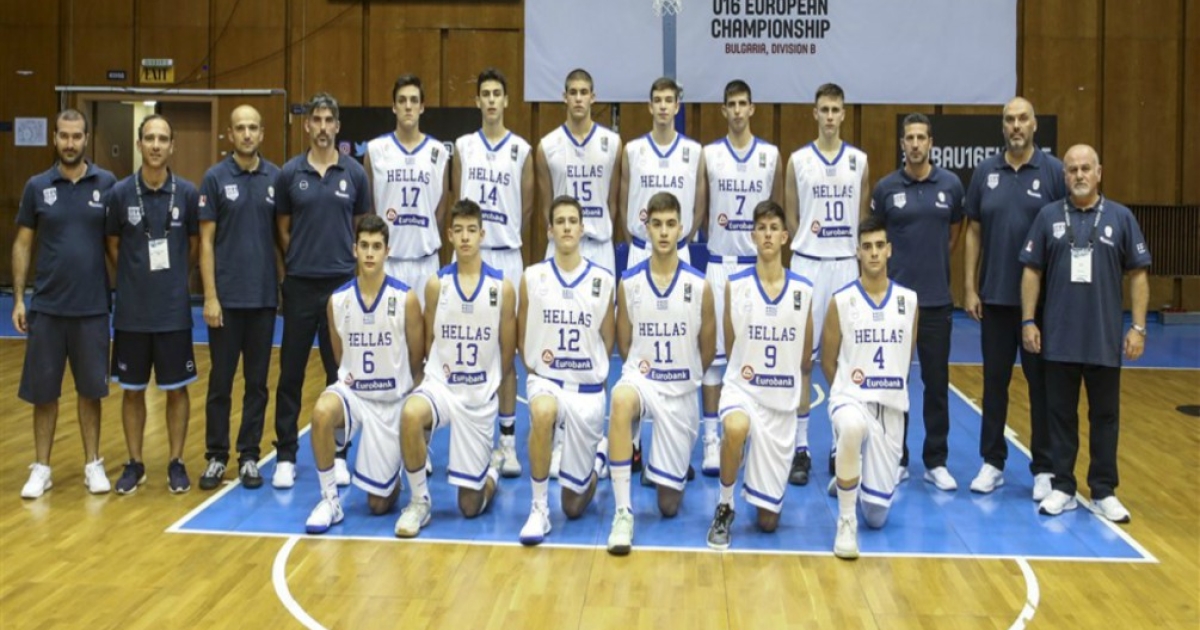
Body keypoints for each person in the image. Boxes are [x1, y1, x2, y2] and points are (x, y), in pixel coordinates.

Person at [1019, 145, 1150, 523]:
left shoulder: (1121, 217)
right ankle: (1063, 486)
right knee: (1060, 416)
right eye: (1072, 169)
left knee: (1105, 417)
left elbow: (1138, 273)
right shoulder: (1048, 216)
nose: (1079, 175)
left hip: (1103, 341)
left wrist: (1138, 327)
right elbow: (1031, 271)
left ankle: (1104, 490)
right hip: (1059, 340)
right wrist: (1028, 321)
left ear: (1099, 173)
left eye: (1085, 168)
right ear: (1064, 176)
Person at [394, 199, 517, 538]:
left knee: (470, 506)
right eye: (459, 230)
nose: (465, 237)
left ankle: (492, 470)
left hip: (477, 398)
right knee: (411, 414)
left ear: (482, 234)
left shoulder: (502, 288)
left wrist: (488, 386)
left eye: (471, 230)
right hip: (442, 386)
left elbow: (508, 352)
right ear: (449, 235)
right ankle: (419, 502)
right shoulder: (436, 285)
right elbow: (430, 341)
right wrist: (437, 377)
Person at [963, 97, 1066, 498]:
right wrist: (969, 287)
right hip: (995, 299)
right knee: (994, 384)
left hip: (1040, 306)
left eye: (1023, 118)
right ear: (1003, 126)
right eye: (1009, 119)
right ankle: (992, 462)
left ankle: (1044, 468)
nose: (1016, 125)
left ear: (1034, 124)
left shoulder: (1053, 171)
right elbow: (973, 230)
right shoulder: (985, 171)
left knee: (1041, 386)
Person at [606, 192, 716, 556]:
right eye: (657, 224)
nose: (664, 232)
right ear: (647, 228)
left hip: (680, 394)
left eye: (670, 224)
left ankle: (661, 463)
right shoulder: (630, 282)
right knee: (621, 399)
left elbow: (706, 349)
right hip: (642, 380)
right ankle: (623, 513)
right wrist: (643, 372)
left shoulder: (700, 286)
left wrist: (683, 376)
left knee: (668, 505)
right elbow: (624, 344)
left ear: (681, 229)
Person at [13, 109, 116, 498]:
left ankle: (93, 464)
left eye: (76, 136)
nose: (70, 143)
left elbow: (115, 246)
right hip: (48, 309)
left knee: (91, 391)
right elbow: (23, 244)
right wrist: (19, 299)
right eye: (64, 136)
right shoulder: (37, 186)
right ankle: (41, 468)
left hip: (92, 308)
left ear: (86, 138)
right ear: (54, 139)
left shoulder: (107, 184)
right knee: (44, 393)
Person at [274, 93, 371, 490]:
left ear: (338, 126)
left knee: (340, 374)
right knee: (290, 373)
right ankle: (285, 456)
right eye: (317, 120)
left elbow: (361, 226)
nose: (323, 127)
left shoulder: (355, 173)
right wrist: (299, 259)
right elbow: (282, 228)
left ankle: (340, 454)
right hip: (299, 285)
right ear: (307, 125)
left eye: (330, 120)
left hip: (341, 288)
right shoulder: (289, 173)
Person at [304, 215, 425, 534]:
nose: (370, 253)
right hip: (354, 395)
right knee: (321, 412)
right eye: (364, 246)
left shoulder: (406, 299)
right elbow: (340, 357)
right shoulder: (337, 300)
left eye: (376, 246)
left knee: (378, 506)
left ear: (387, 251)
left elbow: (417, 361)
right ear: (354, 249)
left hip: (391, 403)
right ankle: (330, 500)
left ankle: (394, 470)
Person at [705, 200, 813, 550]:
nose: (767, 234)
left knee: (768, 524)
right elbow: (732, 346)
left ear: (785, 237)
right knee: (736, 427)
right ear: (752, 236)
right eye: (761, 228)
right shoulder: (735, 286)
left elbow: (805, 359)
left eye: (774, 228)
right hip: (743, 391)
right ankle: (725, 505)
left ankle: (756, 467)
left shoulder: (803, 290)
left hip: (779, 405)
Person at [105, 114, 200, 495]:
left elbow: (193, 246)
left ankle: (176, 462)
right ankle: (135, 463)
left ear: (172, 146)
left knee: (177, 390)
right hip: (132, 313)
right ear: (139, 144)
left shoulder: (188, 193)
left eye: (163, 139)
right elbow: (113, 245)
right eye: (149, 138)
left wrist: (173, 278)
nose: (156, 145)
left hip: (173, 312)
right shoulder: (119, 193)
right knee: (132, 390)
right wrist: (135, 278)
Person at [869, 113, 965, 491]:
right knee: (895, 383)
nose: (915, 144)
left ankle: (935, 461)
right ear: (902, 144)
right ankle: (896, 457)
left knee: (936, 384)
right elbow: (876, 238)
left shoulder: (951, 185)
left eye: (921, 137)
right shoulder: (886, 188)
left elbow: (954, 234)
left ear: (930, 143)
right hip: (896, 305)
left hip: (937, 301)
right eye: (909, 138)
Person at [517, 195, 616, 545]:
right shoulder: (533, 276)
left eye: (573, 221)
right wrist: (540, 370)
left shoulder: (603, 280)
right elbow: (523, 334)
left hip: (586, 393)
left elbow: (607, 341)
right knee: (542, 412)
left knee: (573, 506)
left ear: (582, 228)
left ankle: (597, 458)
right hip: (548, 382)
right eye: (560, 221)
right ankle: (539, 509)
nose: (567, 227)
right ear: (550, 230)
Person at [785, 82, 870, 486]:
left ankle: (840, 445)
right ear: (815, 113)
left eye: (836, 109)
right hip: (808, 263)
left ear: (844, 113)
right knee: (802, 360)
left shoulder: (859, 161)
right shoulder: (798, 160)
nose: (831, 116)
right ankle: (800, 447)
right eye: (825, 109)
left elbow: (863, 214)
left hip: (845, 265)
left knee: (844, 361)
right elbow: (791, 217)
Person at [453, 67, 534, 480]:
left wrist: (506, 237)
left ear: (506, 100)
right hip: (472, 258)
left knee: (507, 353)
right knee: (471, 350)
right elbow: (456, 199)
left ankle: (507, 442)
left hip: (507, 257)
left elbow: (528, 207)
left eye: (496, 93)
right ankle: (474, 437)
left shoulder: (521, 149)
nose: (490, 100)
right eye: (484, 93)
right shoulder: (463, 146)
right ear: (477, 101)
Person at [823, 215, 918, 560]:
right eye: (867, 247)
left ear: (889, 250)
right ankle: (846, 521)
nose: (874, 253)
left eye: (879, 246)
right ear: (858, 253)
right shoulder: (841, 300)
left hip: (890, 410)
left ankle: (850, 472)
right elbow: (828, 361)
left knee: (876, 517)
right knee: (851, 427)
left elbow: (906, 358)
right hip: (851, 399)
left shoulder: (909, 301)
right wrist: (847, 392)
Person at [700, 79, 782, 477]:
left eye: (742, 103)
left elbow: (776, 212)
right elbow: (701, 209)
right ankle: (711, 439)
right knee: (714, 358)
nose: (736, 110)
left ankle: (755, 433)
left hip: (755, 266)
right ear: (724, 110)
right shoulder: (710, 154)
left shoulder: (770, 155)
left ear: (752, 108)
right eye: (730, 104)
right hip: (719, 262)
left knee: (753, 355)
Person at [197, 105, 280, 490]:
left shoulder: (276, 178)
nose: (247, 134)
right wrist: (210, 297)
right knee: (221, 382)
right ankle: (216, 456)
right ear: (230, 134)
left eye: (253, 127)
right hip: (226, 302)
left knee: (257, 383)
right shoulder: (214, 178)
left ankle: (249, 455)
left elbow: (282, 239)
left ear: (262, 132)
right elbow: (206, 243)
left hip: (263, 300)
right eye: (240, 128)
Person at [365, 74, 449, 307]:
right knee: (387, 328)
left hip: (425, 261)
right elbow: (369, 207)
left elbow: (442, 209)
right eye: (402, 101)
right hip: (388, 260)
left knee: (426, 328)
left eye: (414, 100)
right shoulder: (376, 150)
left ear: (422, 107)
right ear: (394, 107)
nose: (408, 106)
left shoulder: (438, 152)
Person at [536, 68, 622, 275]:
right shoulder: (547, 145)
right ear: (564, 97)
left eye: (583, 92)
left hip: (599, 243)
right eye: (573, 92)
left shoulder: (612, 143)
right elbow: (546, 206)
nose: (578, 98)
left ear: (593, 97)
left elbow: (613, 203)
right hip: (561, 243)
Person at [620, 77, 707, 269]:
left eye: (668, 100)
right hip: (642, 248)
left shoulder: (694, 151)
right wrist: (633, 243)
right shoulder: (632, 150)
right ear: (650, 107)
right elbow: (623, 204)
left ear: (677, 107)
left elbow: (699, 207)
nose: (663, 106)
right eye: (657, 100)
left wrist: (683, 240)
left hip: (678, 249)